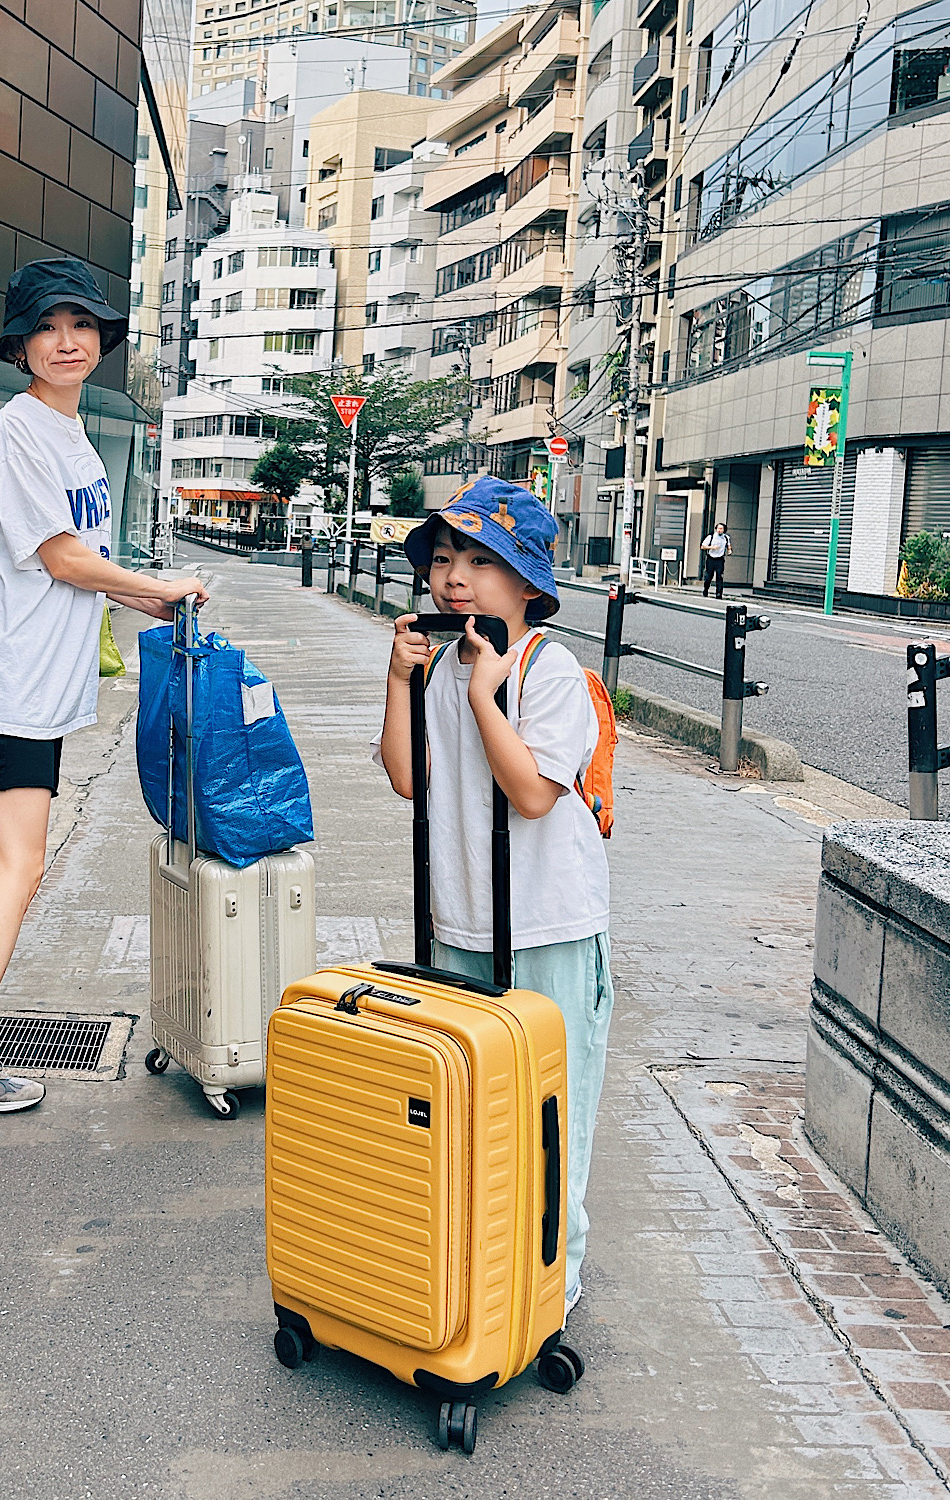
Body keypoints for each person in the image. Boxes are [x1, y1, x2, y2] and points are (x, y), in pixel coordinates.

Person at [0, 259, 208, 1191]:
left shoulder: (72, 439)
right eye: (49, 326)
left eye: (84, 325)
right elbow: (62, 560)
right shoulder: (23, 431)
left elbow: (79, 555)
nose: (69, 339)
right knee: (14, 870)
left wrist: (134, 595)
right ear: (19, 345)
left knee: (2, 869)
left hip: (30, 684)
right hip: (6, 684)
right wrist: (157, 588)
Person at [377, 476, 612, 1318]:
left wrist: (485, 693)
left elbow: (534, 794)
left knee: (552, 1110)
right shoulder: (441, 667)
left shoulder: (552, 671)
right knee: (469, 1102)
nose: (455, 578)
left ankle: (554, 1276)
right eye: (443, 560)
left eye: (480, 560)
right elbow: (411, 779)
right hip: (464, 920)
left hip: (547, 923)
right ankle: (479, 1260)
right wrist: (401, 682)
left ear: (528, 584)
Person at [700, 522, 731, 598]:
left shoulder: (726, 537)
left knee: (719, 576)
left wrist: (729, 550)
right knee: (709, 576)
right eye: (718, 528)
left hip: (720, 559)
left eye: (721, 528)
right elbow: (702, 546)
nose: (719, 530)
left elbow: (728, 545)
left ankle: (719, 593)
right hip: (711, 558)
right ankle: (706, 589)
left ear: (724, 530)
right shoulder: (711, 537)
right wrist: (711, 547)